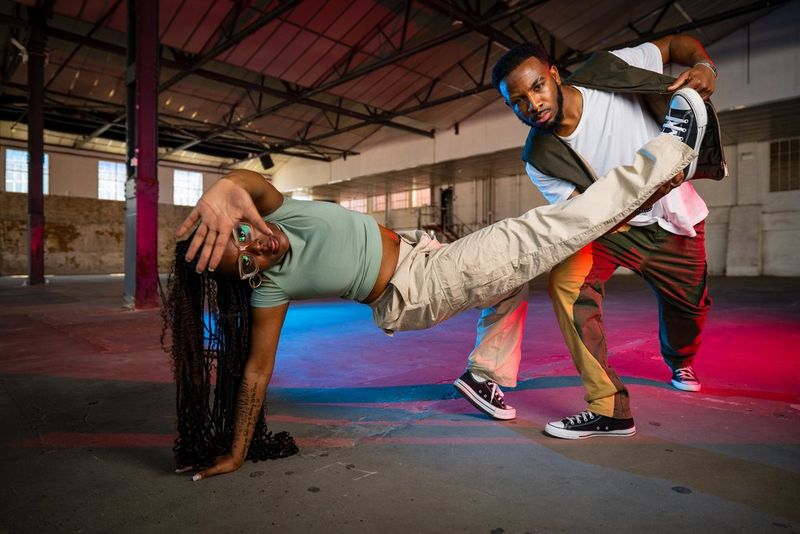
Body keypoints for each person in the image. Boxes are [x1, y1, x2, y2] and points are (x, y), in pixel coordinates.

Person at [165, 96, 701, 481]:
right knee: (547, 230)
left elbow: (246, 183)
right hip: (416, 287)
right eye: (249, 262)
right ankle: (673, 156)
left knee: (508, 285)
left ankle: (483, 375)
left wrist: (221, 191)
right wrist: (236, 452)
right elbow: (256, 372)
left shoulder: (279, 212)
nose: (259, 247)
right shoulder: (270, 290)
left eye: (243, 234)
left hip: (422, 252)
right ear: (252, 280)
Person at [466, 35, 727, 440]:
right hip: (612, 228)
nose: (532, 105)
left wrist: (705, 67)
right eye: (518, 101)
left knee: (689, 310)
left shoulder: (605, 70)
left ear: (553, 75)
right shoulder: (539, 158)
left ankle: (681, 359)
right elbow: (588, 215)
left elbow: (677, 45)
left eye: (537, 87)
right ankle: (609, 407)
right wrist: (646, 189)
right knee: (566, 284)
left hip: (677, 220)